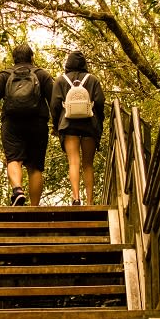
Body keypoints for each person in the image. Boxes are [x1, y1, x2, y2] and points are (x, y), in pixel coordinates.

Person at [0, 43, 54, 206]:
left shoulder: (5, 75)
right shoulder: (42, 75)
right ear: (32, 57)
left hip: (12, 122)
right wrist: (57, 124)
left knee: (13, 159)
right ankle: (34, 208)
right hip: (38, 123)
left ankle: (18, 190)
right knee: (35, 167)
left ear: (14, 59)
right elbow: (54, 100)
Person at [50, 50, 106, 206]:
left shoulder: (61, 81)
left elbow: (54, 105)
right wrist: (99, 121)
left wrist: (56, 125)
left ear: (68, 63)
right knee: (88, 164)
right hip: (90, 125)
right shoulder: (93, 80)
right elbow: (100, 102)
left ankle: (76, 198)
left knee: (73, 161)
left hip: (68, 125)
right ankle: (90, 201)